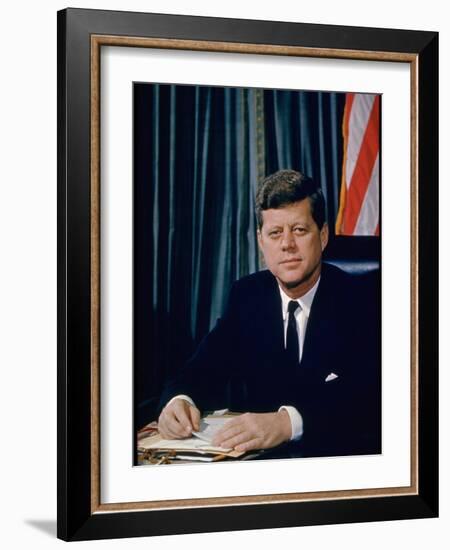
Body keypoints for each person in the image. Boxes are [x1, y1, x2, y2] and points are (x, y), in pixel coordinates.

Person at [157, 169, 381, 458]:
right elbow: (201, 368)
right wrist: (178, 400)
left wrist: (288, 423)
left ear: (323, 236)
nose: (287, 244)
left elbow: (370, 397)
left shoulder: (362, 300)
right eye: (275, 233)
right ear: (262, 242)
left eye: (299, 230)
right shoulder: (247, 296)